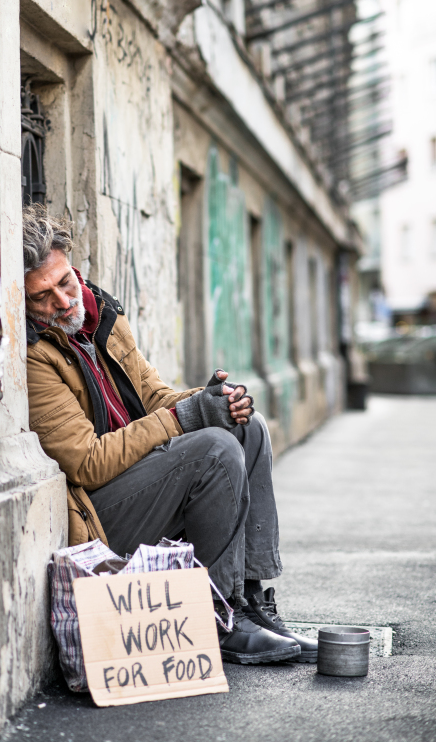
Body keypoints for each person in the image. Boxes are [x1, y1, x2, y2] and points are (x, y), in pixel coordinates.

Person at [24, 204, 317, 666]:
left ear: (74, 268)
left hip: (140, 481)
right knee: (215, 449)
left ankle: (251, 599)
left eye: (64, 282)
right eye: (42, 296)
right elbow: (86, 463)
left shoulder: (102, 319)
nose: (62, 302)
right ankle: (217, 616)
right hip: (99, 516)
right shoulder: (35, 356)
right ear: (24, 301)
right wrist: (187, 417)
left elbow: (153, 397)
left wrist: (213, 399)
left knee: (246, 427)